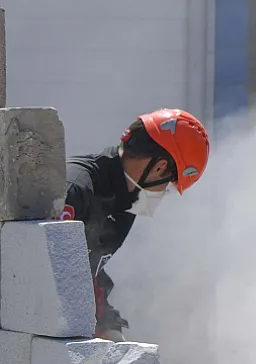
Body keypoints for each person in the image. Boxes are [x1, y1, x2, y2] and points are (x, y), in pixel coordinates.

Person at [60, 109, 211, 341]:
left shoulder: (124, 203)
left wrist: (109, 323)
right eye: (169, 185)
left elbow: (88, 273)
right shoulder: (74, 190)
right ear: (159, 167)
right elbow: (46, 274)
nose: (163, 194)